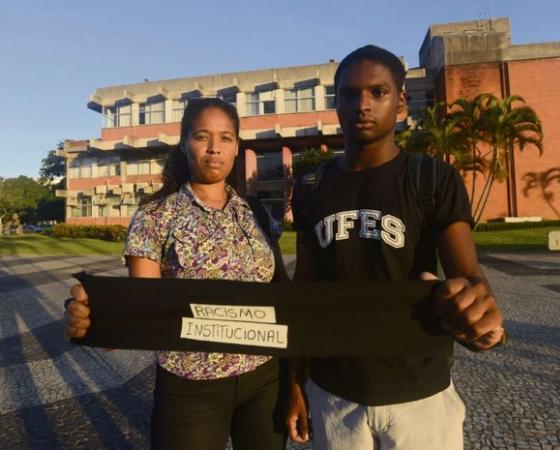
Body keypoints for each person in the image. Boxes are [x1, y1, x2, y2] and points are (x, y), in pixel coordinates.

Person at [286, 45, 505, 450]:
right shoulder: (311, 187)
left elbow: (467, 274)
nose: (362, 105)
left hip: (420, 392)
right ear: (337, 104)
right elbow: (305, 288)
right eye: (349, 94)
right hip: (334, 390)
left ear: (401, 102)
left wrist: (478, 310)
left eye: (378, 92)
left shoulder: (432, 178)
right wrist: (295, 380)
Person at [65, 97, 288, 450]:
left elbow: (281, 294)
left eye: (226, 138)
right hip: (192, 387)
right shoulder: (155, 216)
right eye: (202, 137)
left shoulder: (256, 212)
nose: (214, 148)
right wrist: (100, 318)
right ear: (184, 143)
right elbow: (145, 309)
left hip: (265, 379)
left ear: (236, 148)